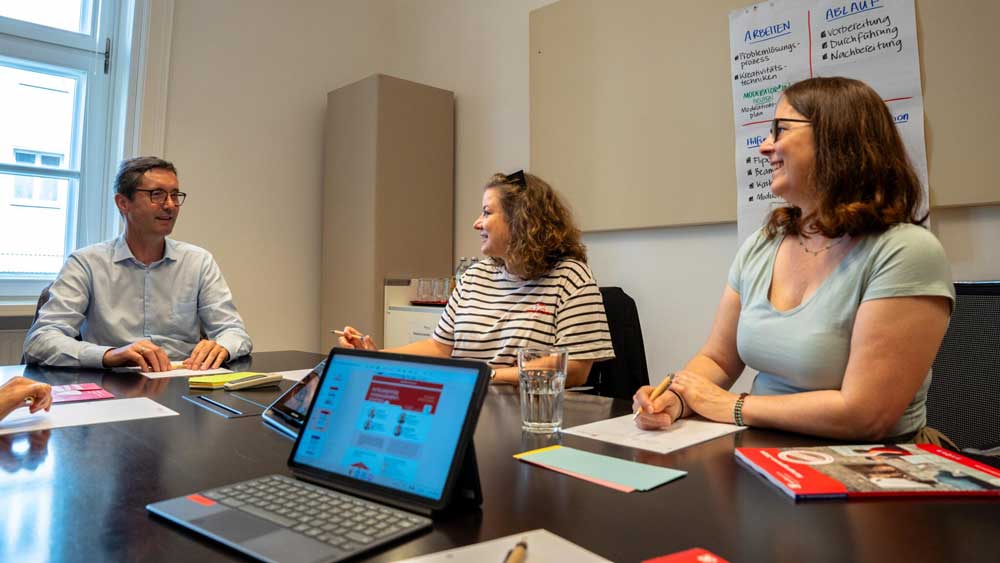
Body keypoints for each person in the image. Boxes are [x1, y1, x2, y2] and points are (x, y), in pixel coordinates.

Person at [634, 77, 954, 441]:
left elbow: (866, 414)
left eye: (781, 130)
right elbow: (719, 358)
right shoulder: (762, 245)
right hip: (767, 448)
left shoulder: (907, 252)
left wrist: (732, 406)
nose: (765, 147)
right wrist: (677, 398)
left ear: (837, 138)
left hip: (873, 461)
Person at [339, 170, 615, 387]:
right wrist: (375, 358)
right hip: (471, 401)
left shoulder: (570, 277)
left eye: (486, 212)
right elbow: (440, 347)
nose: (476, 223)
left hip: (531, 412)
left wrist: (485, 376)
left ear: (521, 220)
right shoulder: (474, 277)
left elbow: (574, 369)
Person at [22, 157, 252, 372]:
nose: (170, 205)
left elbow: (233, 332)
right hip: (114, 380)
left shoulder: (198, 261)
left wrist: (222, 346)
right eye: (157, 195)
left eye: (175, 195)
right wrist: (109, 355)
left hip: (183, 379)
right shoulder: (86, 263)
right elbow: (40, 340)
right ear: (123, 202)